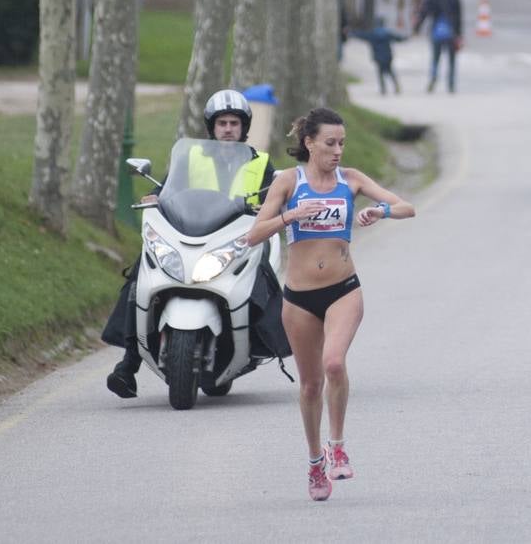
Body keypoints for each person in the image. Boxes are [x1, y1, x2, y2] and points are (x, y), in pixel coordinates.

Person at [242, 107, 415, 501]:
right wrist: (290, 215)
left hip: (343, 289)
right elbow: (254, 235)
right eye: (330, 143)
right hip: (299, 297)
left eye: (342, 143)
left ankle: (338, 445)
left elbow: (408, 206)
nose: (338, 150)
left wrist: (380, 210)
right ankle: (315, 461)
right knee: (309, 386)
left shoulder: (350, 179)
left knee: (334, 362)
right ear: (309, 143)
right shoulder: (288, 181)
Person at [103, 90, 276, 398]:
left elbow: (274, 197)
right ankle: (128, 364)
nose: (227, 129)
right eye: (221, 122)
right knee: (140, 276)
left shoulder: (260, 163)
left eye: (234, 123)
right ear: (211, 126)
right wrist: (156, 198)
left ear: (243, 126)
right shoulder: (191, 156)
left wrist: (272, 208)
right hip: (191, 235)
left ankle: (263, 343)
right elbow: (171, 188)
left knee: (265, 277)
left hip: (238, 237)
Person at [414, 0, 463, 94]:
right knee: (452, 60)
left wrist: (417, 27)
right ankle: (451, 83)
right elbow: (459, 17)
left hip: (436, 30)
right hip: (451, 32)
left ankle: (433, 78)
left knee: (435, 58)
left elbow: (424, 13)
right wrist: (459, 35)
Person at [349, 15, 405, 95]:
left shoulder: (372, 34)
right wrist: (406, 38)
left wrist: (352, 33)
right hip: (388, 56)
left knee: (380, 73)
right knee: (390, 71)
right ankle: (396, 85)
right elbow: (398, 38)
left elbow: (362, 35)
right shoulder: (387, 34)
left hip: (378, 57)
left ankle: (383, 89)